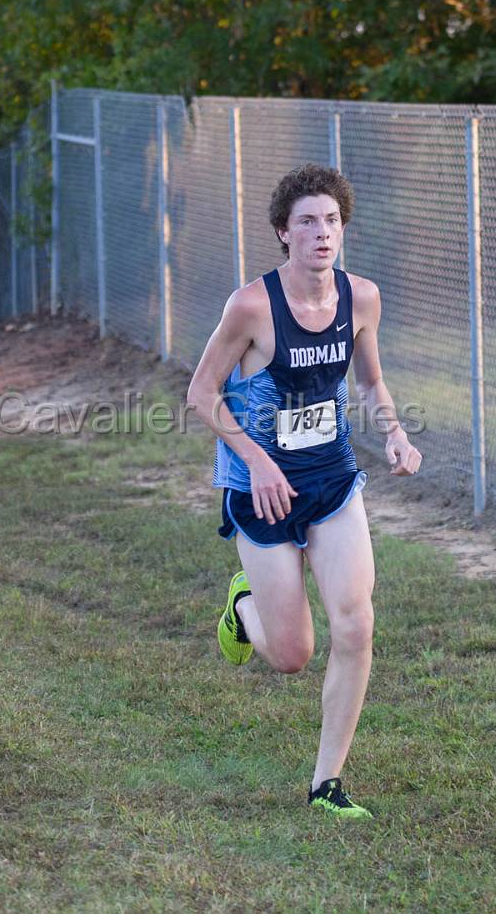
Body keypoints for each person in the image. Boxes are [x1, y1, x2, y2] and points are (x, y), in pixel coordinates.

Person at [187, 164, 422, 819]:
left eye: (333, 221)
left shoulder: (362, 299)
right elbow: (201, 394)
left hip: (332, 480)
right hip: (259, 489)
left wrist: (396, 435)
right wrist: (257, 459)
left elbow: (371, 382)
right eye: (308, 222)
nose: (323, 234)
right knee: (292, 657)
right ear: (283, 234)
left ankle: (327, 784)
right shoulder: (251, 306)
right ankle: (244, 611)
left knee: (357, 624)